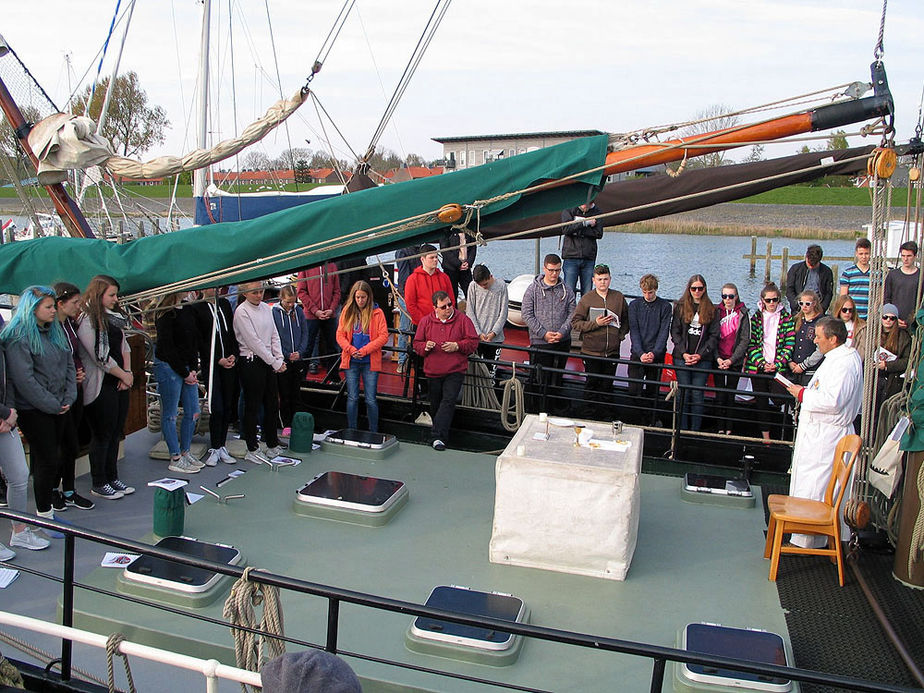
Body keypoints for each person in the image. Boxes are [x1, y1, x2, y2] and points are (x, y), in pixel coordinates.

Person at [2, 286, 77, 535]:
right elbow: (24, 380)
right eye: (48, 307)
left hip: (58, 405)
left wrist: (68, 397)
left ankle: (47, 513)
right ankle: (43, 515)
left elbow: (68, 362)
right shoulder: (18, 338)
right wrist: (53, 405)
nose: (54, 311)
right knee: (45, 459)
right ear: (32, 309)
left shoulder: (55, 332)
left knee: (53, 456)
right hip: (34, 410)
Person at [783, 317, 863, 548]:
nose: (815, 341)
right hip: (819, 433)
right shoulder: (836, 359)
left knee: (817, 486)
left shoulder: (844, 364)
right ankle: (804, 533)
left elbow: (833, 401)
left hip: (826, 437)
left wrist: (802, 394)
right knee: (810, 484)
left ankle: (810, 537)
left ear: (833, 338)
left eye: (818, 337)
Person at [76, 275, 135, 500]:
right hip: (101, 384)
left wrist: (127, 374)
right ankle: (99, 481)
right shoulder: (87, 319)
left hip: (119, 382)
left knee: (115, 432)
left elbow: (124, 345)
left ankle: (112, 476)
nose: (115, 299)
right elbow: (99, 355)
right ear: (99, 294)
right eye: (111, 295)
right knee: (102, 433)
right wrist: (122, 374)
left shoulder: (114, 319)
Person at [0, 338, 51, 557]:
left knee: (19, 475)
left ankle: (19, 531)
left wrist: (9, 414)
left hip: (5, 422)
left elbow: (8, 379)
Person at [412, 291, 479, 450]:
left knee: (448, 401)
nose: (448, 308)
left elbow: (473, 342)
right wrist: (425, 346)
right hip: (433, 371)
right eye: (443, 306)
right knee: (436, 404)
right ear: (435, 308)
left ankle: (436, 437)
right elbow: (417, 344)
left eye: (450, 304)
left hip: (455, 370)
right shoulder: (425, 322)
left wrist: (458, 346)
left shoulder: (463, 320)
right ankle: (442, 436)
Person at [52, 281, 94, 510]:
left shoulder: (69, 323)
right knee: (58, 444)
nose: (79, 306)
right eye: (75, 302)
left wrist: (79, 372)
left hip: (74, 390)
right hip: (59, 394)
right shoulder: (49, 328)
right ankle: (51, 489)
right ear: (61, 303)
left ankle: (69, 490)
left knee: (72, 443)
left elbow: (75, 353)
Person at [234, 282, 287, 465]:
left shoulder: (266, 308)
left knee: (272, 402)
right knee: (253, 405)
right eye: (255, 292)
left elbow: (274, 334)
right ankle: (252, 447)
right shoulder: (242, 311)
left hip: (268, 360)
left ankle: (271, 442)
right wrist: (273, 361)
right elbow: (252, 341)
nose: (259, 295)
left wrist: (278, 358)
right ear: (246, 293)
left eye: (261, 292)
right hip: (251, 360)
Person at [153, 292, 202, 474]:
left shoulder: (188, 309)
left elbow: (193, 340)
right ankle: (175, 456)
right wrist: (184, 372)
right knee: (171, 413)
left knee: (193, 411)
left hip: (186, 366)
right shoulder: (165, 314)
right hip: (169, 366)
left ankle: (186, 451)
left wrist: (193, 368)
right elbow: (167, 346)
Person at [520, 253, 576, 413]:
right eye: (551, 270)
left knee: (557, 379)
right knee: (539, 379)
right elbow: (526, 314)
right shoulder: (532, 290)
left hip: (562, 342)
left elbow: (573, 313)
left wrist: (563, 332)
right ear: (544, 268)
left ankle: (554, 409)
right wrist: (543, 333)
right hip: (540, 343)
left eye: (558, 270)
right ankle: (538, 410)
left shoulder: (567, 290)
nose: (554, 274)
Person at [190, 287, 239, 466]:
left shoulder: (224, 304)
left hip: (229, 363)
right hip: (212, 364)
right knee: (216, 406)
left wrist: (234, 354)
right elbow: (201, 340)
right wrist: (218, 359)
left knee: (227, 405)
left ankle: (222, 445)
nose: (216, 289)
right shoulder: (197, 308)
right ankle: (214, 446)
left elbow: (230, 333)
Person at [570, 263, 629, 408]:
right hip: (591, 351)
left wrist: (620, 336)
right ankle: (589, 414)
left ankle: (606, 416)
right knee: (592, 384)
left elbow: (627, 320)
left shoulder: (619, 297)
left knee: (607, 386)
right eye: (600, 279)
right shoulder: (587, 299)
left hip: (612, 352)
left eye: (605, 279)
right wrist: (595, 323)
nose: (603, 282)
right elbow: (576, 323)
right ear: (593, 280)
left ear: (610, 279)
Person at [744, 282, 795, 444]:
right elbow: (751, 344)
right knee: (761, 403)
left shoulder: (786, 318)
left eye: (775, 300)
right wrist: (761, 363)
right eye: (769, 300)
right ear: (763, 300)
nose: (772, 303)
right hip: (759, 366)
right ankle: (766, 439)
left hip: (778, 367)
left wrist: (778, 364)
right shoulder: (756, 318)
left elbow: (789, 343)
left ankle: (785, 433)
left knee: (780, 397)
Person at [336, 280, 389, 432]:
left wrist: (365, 350)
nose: (360, 300)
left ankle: (373, 430)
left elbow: (383, 336)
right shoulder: (347, 311)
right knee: (352, 397)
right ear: (353, 297)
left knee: (371, 399)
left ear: (368, 297)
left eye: (363, 297)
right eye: (358, 297)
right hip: (351, 360)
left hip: (369, 361)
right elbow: (340, 334)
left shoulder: (377, 313)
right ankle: (351, 429)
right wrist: (351, 349)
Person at [670, 275, 719, 432]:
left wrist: (700, 355)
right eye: (693, 288)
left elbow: (714, 336)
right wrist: (684, 353)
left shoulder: (712, 309)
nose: (697, 291)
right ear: (689, 289)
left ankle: (694, 430)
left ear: (704, 289)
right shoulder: (680, 306)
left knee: (698, 394)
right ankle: (681, 429)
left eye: (700, 288)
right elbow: (675, 332)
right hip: (681, 358)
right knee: (683, 393)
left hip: (702, 359)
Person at [627, 274, 672, 424]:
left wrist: (654, 352)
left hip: (656, 355)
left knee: (653, 390)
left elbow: (664, 332)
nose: (647, 295)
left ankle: (650, 419)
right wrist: (640, 353)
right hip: (638, 353)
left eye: (650, 292)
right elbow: (634, 330)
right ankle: (640, 418)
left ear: (656, 290)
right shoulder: (634, 306)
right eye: (645, 292)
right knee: (634, 389)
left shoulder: (665, 307)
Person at [856, 303, 912, 414]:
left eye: (892, 318)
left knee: (885, 412)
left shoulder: (903, 337)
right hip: (873, 378)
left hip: (892, 380)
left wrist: (887, 365)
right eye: (885, 317)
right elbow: (863, 354)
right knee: (871, 412)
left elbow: (907, 361)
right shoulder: (872, 334)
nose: (888, 320)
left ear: (896, 320)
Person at [714, 283, 749, 435]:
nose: (727, 299)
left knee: (730, 394)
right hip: (719, 359)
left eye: (731, 296)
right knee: (720, 395)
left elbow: (744, 340)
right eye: (724, 296)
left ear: (736, 297)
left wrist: (732, 360)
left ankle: (729, 427)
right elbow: (712, 336)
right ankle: (720, 427)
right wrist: (717, 358)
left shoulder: (743, 313)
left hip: (734, 361)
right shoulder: (717, 312)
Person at [272, 285, 309, 429]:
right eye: (287, 302)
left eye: (292, 302)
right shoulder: (274, 313)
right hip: (284, 360)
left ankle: (296, 423)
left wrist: (300, 351)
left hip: (298, 359)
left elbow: (305, 333)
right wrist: (286, 354)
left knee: (296, 394)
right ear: (281, 299)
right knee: (284, 394)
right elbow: (274, 336)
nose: (290, 305)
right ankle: (285, 424)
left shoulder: (298, 311)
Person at [297, 262, 341, 381]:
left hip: (329, 315)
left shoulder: (332, 266)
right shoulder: (306, 266)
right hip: (311, 316)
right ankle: (301, 379)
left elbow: (337, 291)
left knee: (333, 347)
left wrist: (331, 309)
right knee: (307, 347)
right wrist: (315, 310)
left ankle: (333, 378)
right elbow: (301, 291)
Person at [466, 264, 508, 371]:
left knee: (491, 371)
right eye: (480, 285)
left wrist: (494, 332)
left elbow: (503, 313)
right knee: (476, 371)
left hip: (495, 339)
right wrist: (478, 333)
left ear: (490, 276)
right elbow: (470, 311)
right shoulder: (473, 286)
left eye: (485, 284)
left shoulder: (501, 286)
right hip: (477, 338)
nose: (483, 287)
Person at [561, 200, 604, 297]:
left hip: (588, 258)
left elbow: (598, 233)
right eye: (583, 204)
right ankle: (570, 312)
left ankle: (585, 311)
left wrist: (576, 229)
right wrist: (585, 223)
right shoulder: (568, 210)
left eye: (587, 205)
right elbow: (566, 229)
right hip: (571, 256)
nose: (584, 207)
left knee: (587, 291)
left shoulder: (597, 213)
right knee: (569, 291)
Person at [404, 244, 454, 326]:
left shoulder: (444, 278)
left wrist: (445, 318)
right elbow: (410, 305)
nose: (435, 260)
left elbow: (451, 299)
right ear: (422, 259)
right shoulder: (412, 279)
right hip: (421, 324)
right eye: (432, 257)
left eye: (436, 257)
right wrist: (424, 321)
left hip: (443, 323)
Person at [787, 290, 825, 385]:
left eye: (807, 304)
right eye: (801, 303)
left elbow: (820, 349)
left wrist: (804, 365)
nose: (804, 306)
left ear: (814, 303)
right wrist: (789, 361)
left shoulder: (821, 322)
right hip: (793, 368)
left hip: (811, 371)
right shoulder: (795, 320)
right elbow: (788, 342)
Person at [785, 244, 834, 313]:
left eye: (814, 264)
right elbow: (789, 290)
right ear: (806, 257)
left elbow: (828, 293)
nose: (811, 266)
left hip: (818, 309)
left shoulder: (827, 272)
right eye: (809, 263)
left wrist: (822, 308)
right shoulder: (795, 269)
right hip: (799, 308)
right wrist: (796, 305)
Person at [883, 240, 920, 329]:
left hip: (914, 323)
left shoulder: (921, 276)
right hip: (893, 321)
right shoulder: (893, 275)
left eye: (909, 256)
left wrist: (911, 319)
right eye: (903, 256)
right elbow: (887, 298)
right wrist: (893, 317)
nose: (905, 259)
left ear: (915, 256)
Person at [394, 245, 418, 374]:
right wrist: (407, 296)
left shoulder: (419, 249)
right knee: (404, 328)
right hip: (407, 296)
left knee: (414, 329)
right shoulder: (402, 251)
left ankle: (413, 358)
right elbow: (403, 277)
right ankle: (402, 361)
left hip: (417, 295)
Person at [439, 229, 477, 301]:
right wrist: (458, 264)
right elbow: (444, 251)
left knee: (470, 293)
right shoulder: (446, 231)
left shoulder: (469, 231)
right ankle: (453, 311)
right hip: (450, 269)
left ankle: (472, 311)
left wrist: (469, 263)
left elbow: (473, 248)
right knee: (452, 294)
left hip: (466, 268)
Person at [839, 237, 871, 319]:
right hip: (852, 314)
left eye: (866, 253)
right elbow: (843, 297)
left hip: (869, 316)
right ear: (856, 254)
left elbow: (879, 298)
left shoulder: (877, 273)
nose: (864, 257)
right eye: (861, 254)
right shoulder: (848, 273)